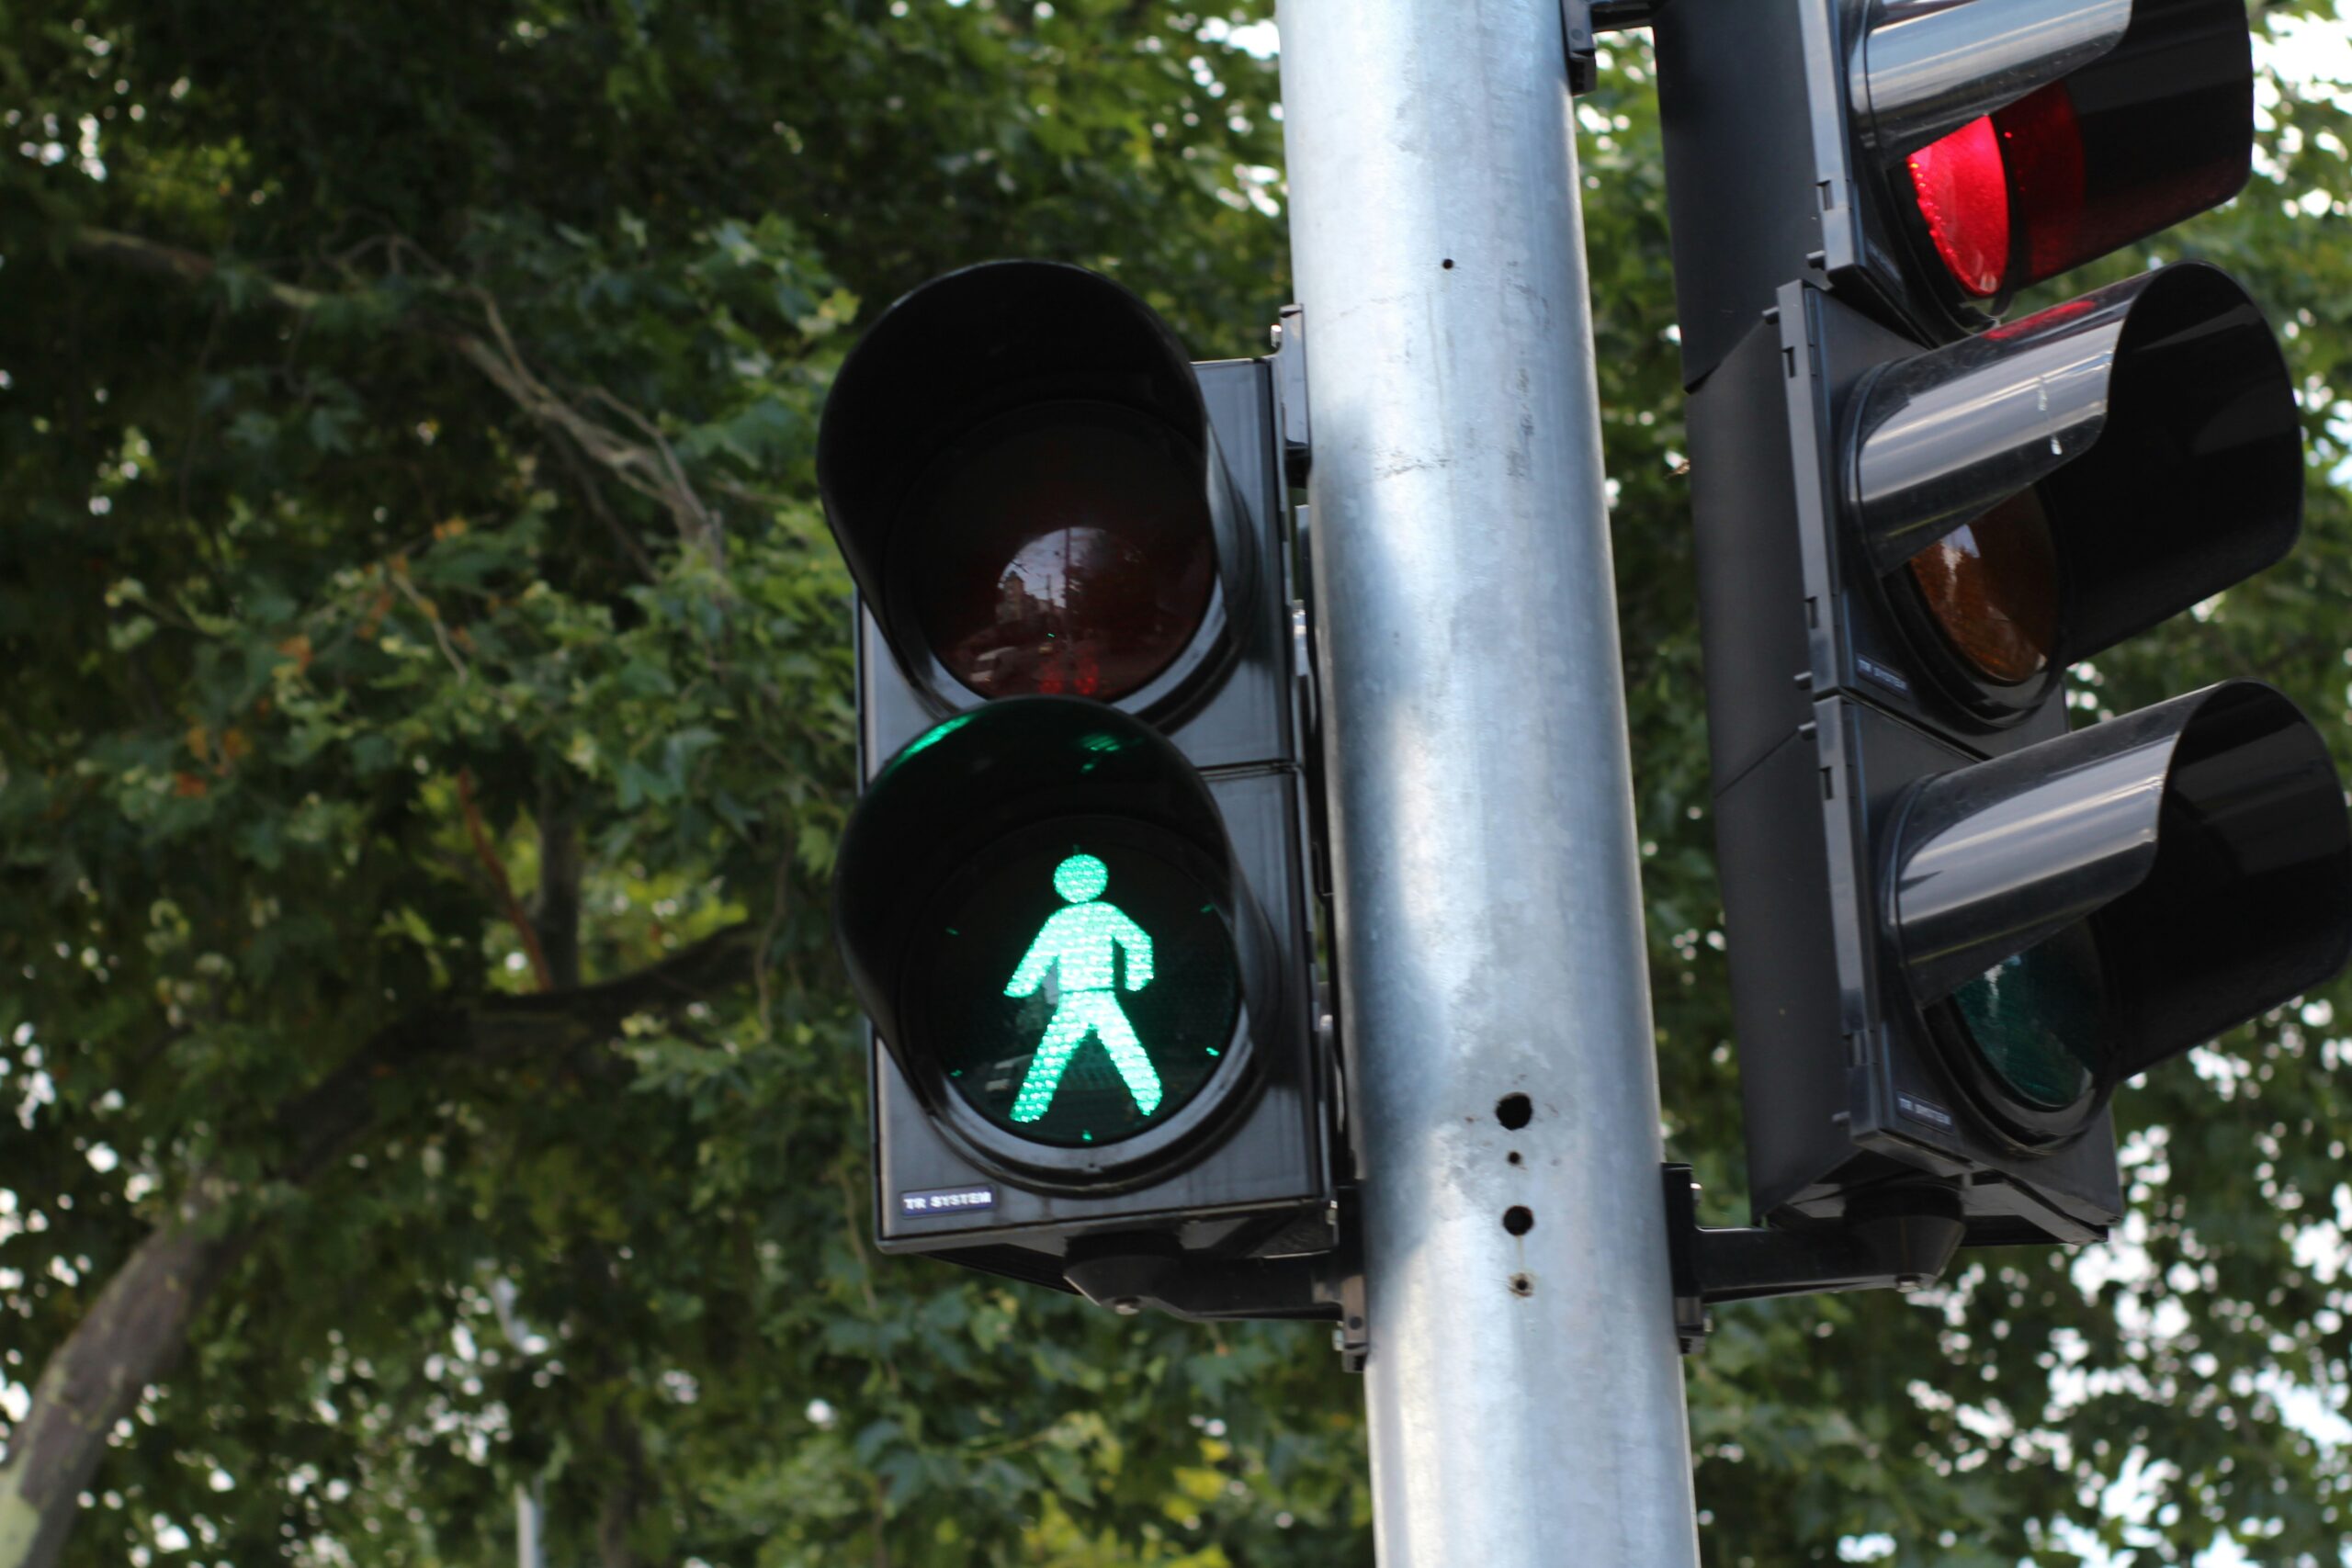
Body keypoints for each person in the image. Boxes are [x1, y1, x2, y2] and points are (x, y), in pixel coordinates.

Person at [1002, 852, 1162, 1122]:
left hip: (1085, 998)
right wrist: (1136, 978)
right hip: (1090, 997)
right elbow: (1139, 941)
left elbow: (1039, 956)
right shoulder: (1098, 914)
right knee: (1125, 1051)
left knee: (1052, 1057)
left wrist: (1020, 986)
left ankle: (1028, 1112)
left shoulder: (1066, 919)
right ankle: (1151, 1101)